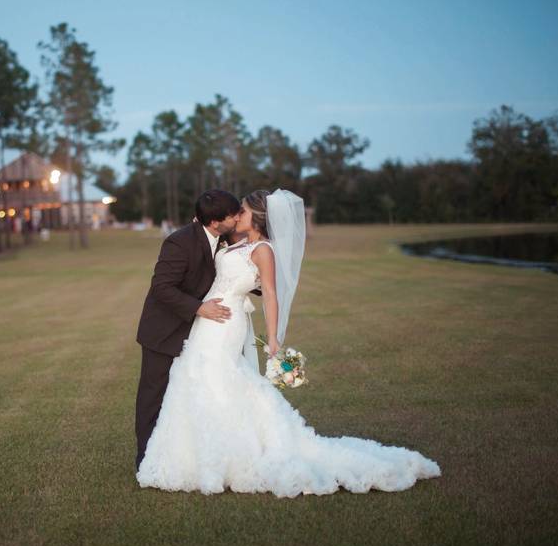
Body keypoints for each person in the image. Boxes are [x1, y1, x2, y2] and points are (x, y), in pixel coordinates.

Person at [136, 188, 441, 497]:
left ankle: (224, 456)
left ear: (256, 217)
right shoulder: (232, 242)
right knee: (194, 382)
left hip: (223, 323)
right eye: (234, 212)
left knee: (216, 379)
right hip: (200, 322)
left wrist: (273, 338)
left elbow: (268, 291)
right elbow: (203, 274)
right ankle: (180, 453)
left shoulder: (262, 249)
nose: (237, 216)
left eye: (241, 211)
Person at [135, 189, 242, 472]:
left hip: (201, 335)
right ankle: (146, 461)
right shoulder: (179, 242)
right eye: (234, 215)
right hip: (164, 331)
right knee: (153, 397)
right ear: (216, 222)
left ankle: (183, 454)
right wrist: (199, 308)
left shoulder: (225, 238)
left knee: (187, 395)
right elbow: (161, 288)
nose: (238, 218)